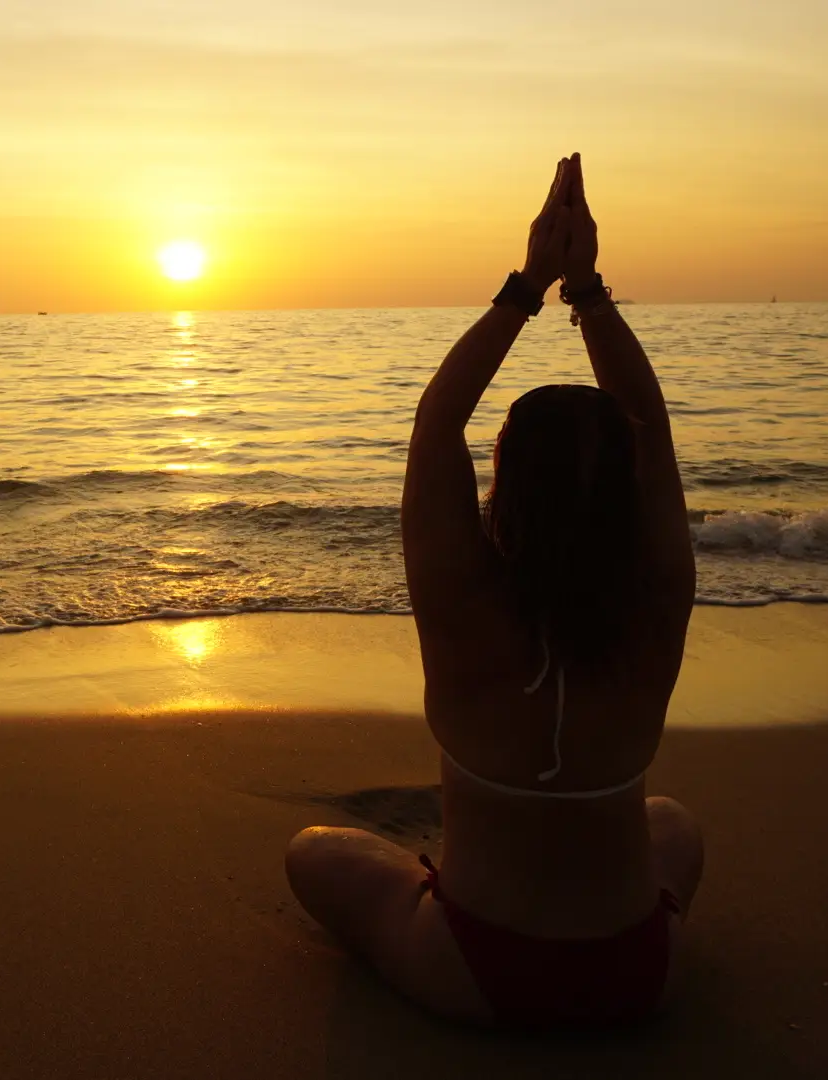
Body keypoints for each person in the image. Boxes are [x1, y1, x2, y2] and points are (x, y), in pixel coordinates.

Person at [285, 153, 704, 1028]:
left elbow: (438, 421)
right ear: (628, 489)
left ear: (503, 486)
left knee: (316, 852)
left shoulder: (462, 606)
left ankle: (436, 886)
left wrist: (528, 286)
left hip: (475, 972)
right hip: (639, 973)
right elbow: (651, 425)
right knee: (673, 824)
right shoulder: (655, 604)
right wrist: (586, 295)